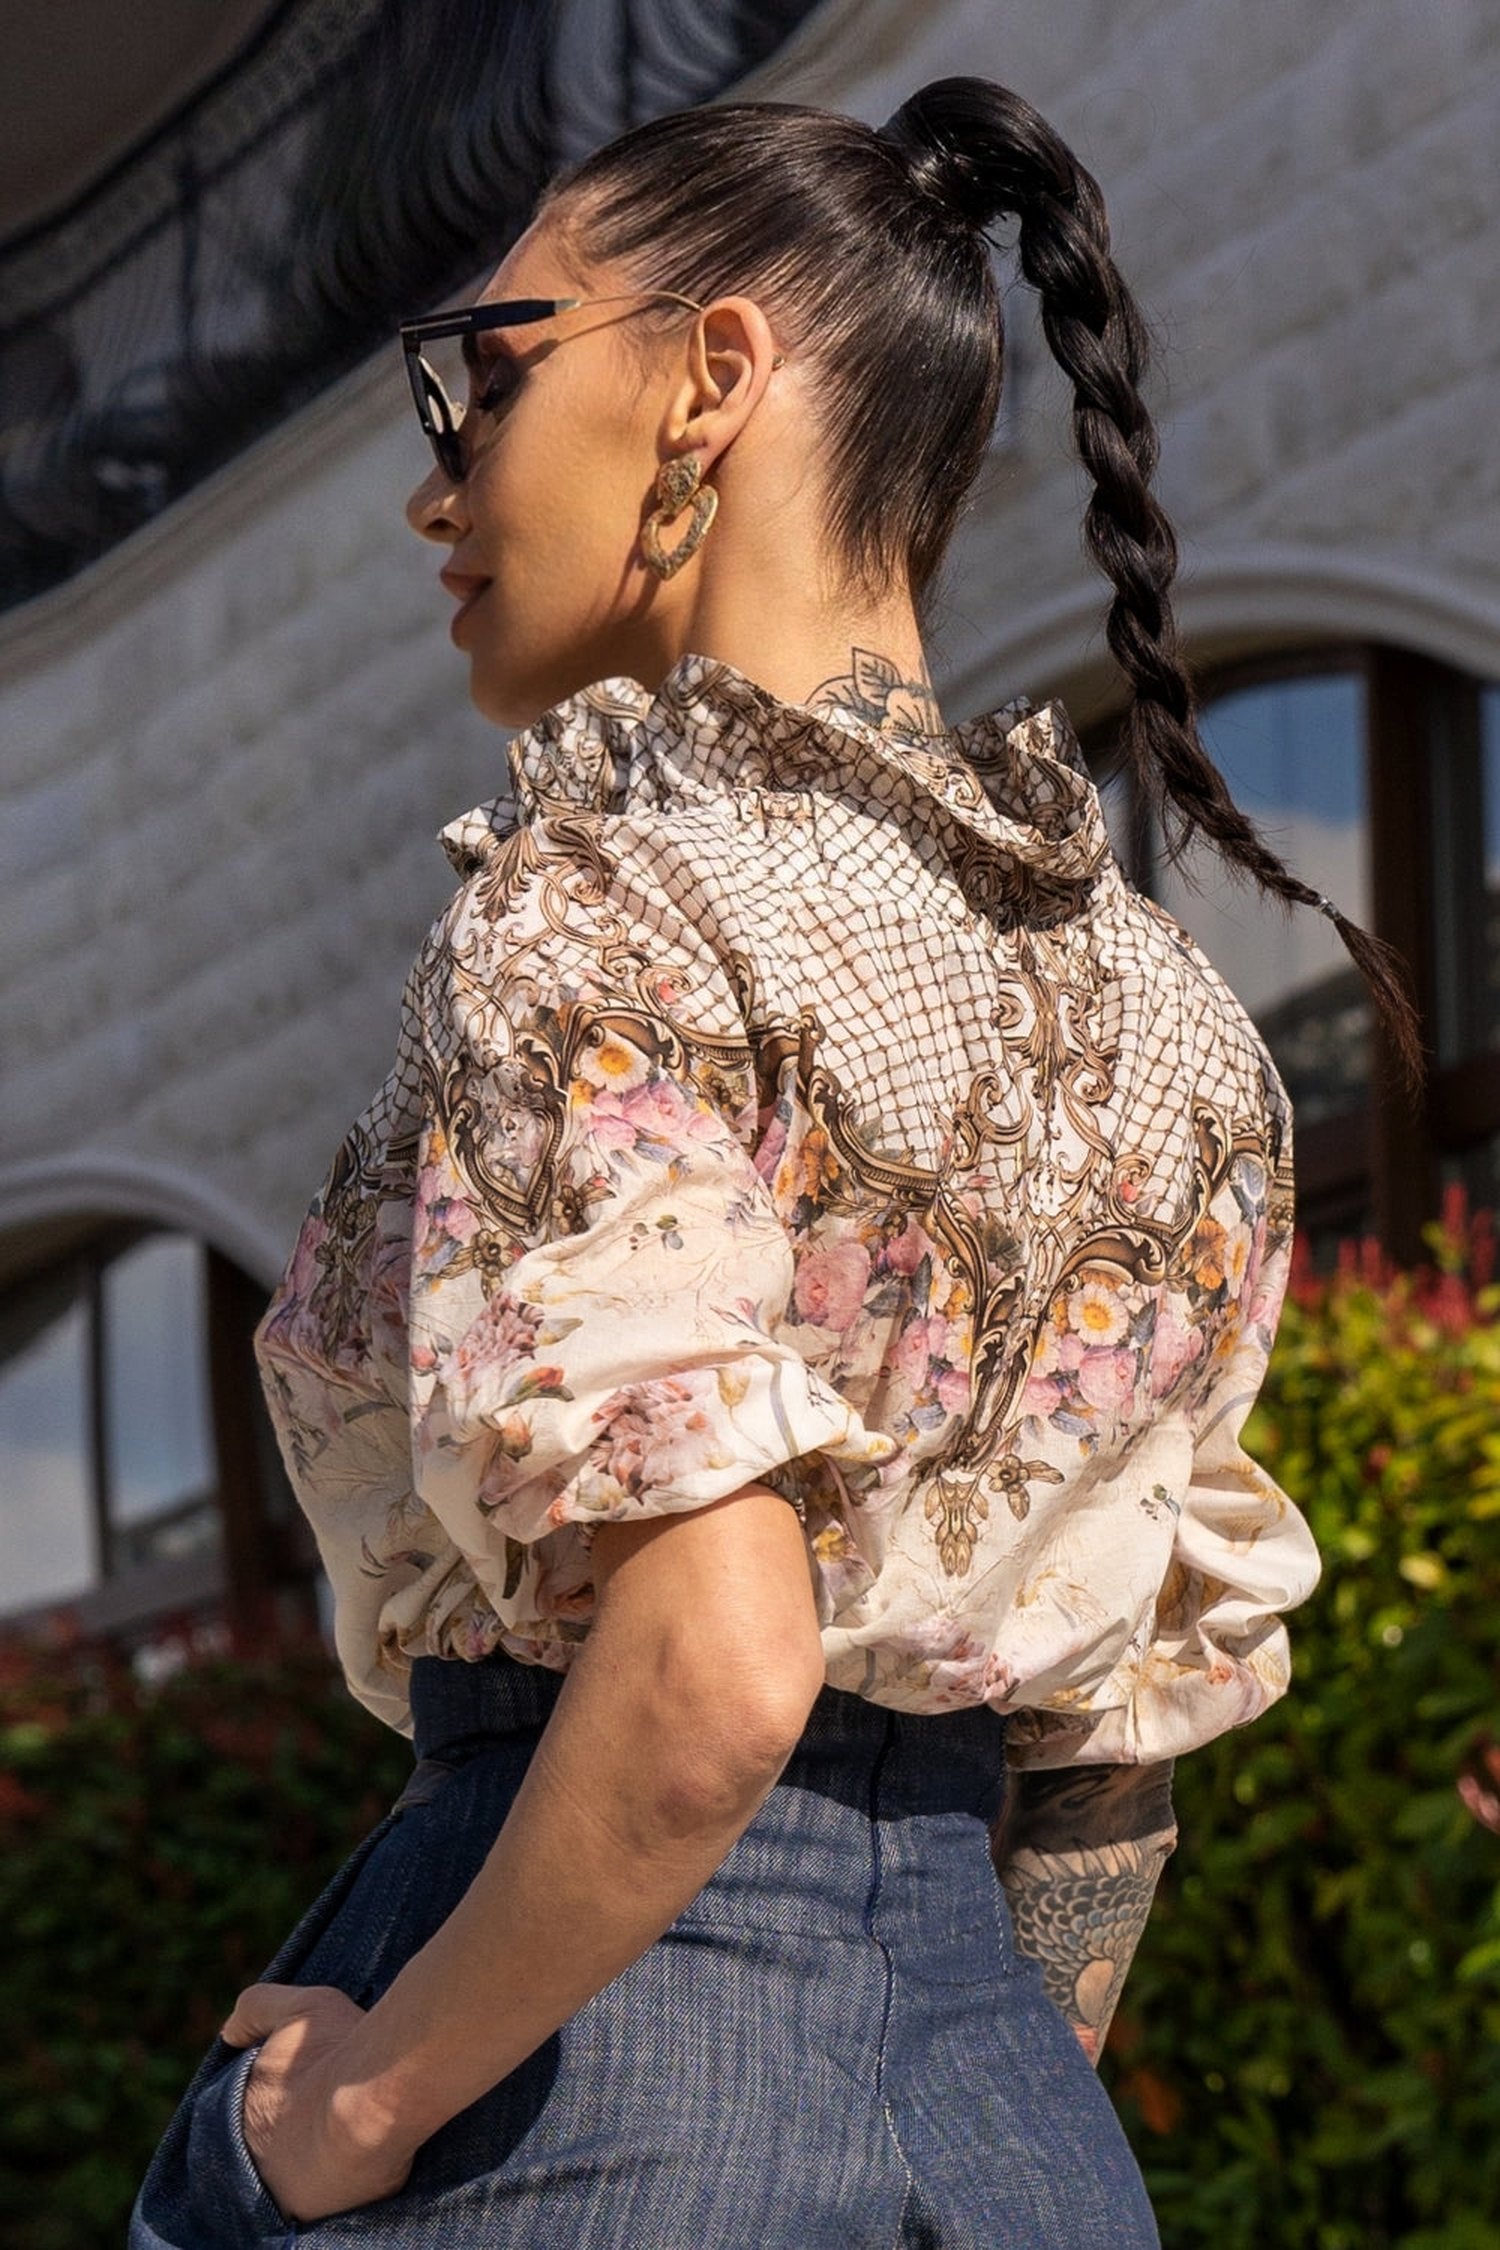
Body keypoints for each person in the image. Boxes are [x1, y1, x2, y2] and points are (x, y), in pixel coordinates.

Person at [130, 75, 1411, 2249]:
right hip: (1014, 2138)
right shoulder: (1183, 1033)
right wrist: (965, 2102)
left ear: (712, 377)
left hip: (585, 2088)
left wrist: (360, 2107)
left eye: (482, 376)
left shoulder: (598, 906)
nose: (435, 491)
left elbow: (717, 1660)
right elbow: (1107, 1770)